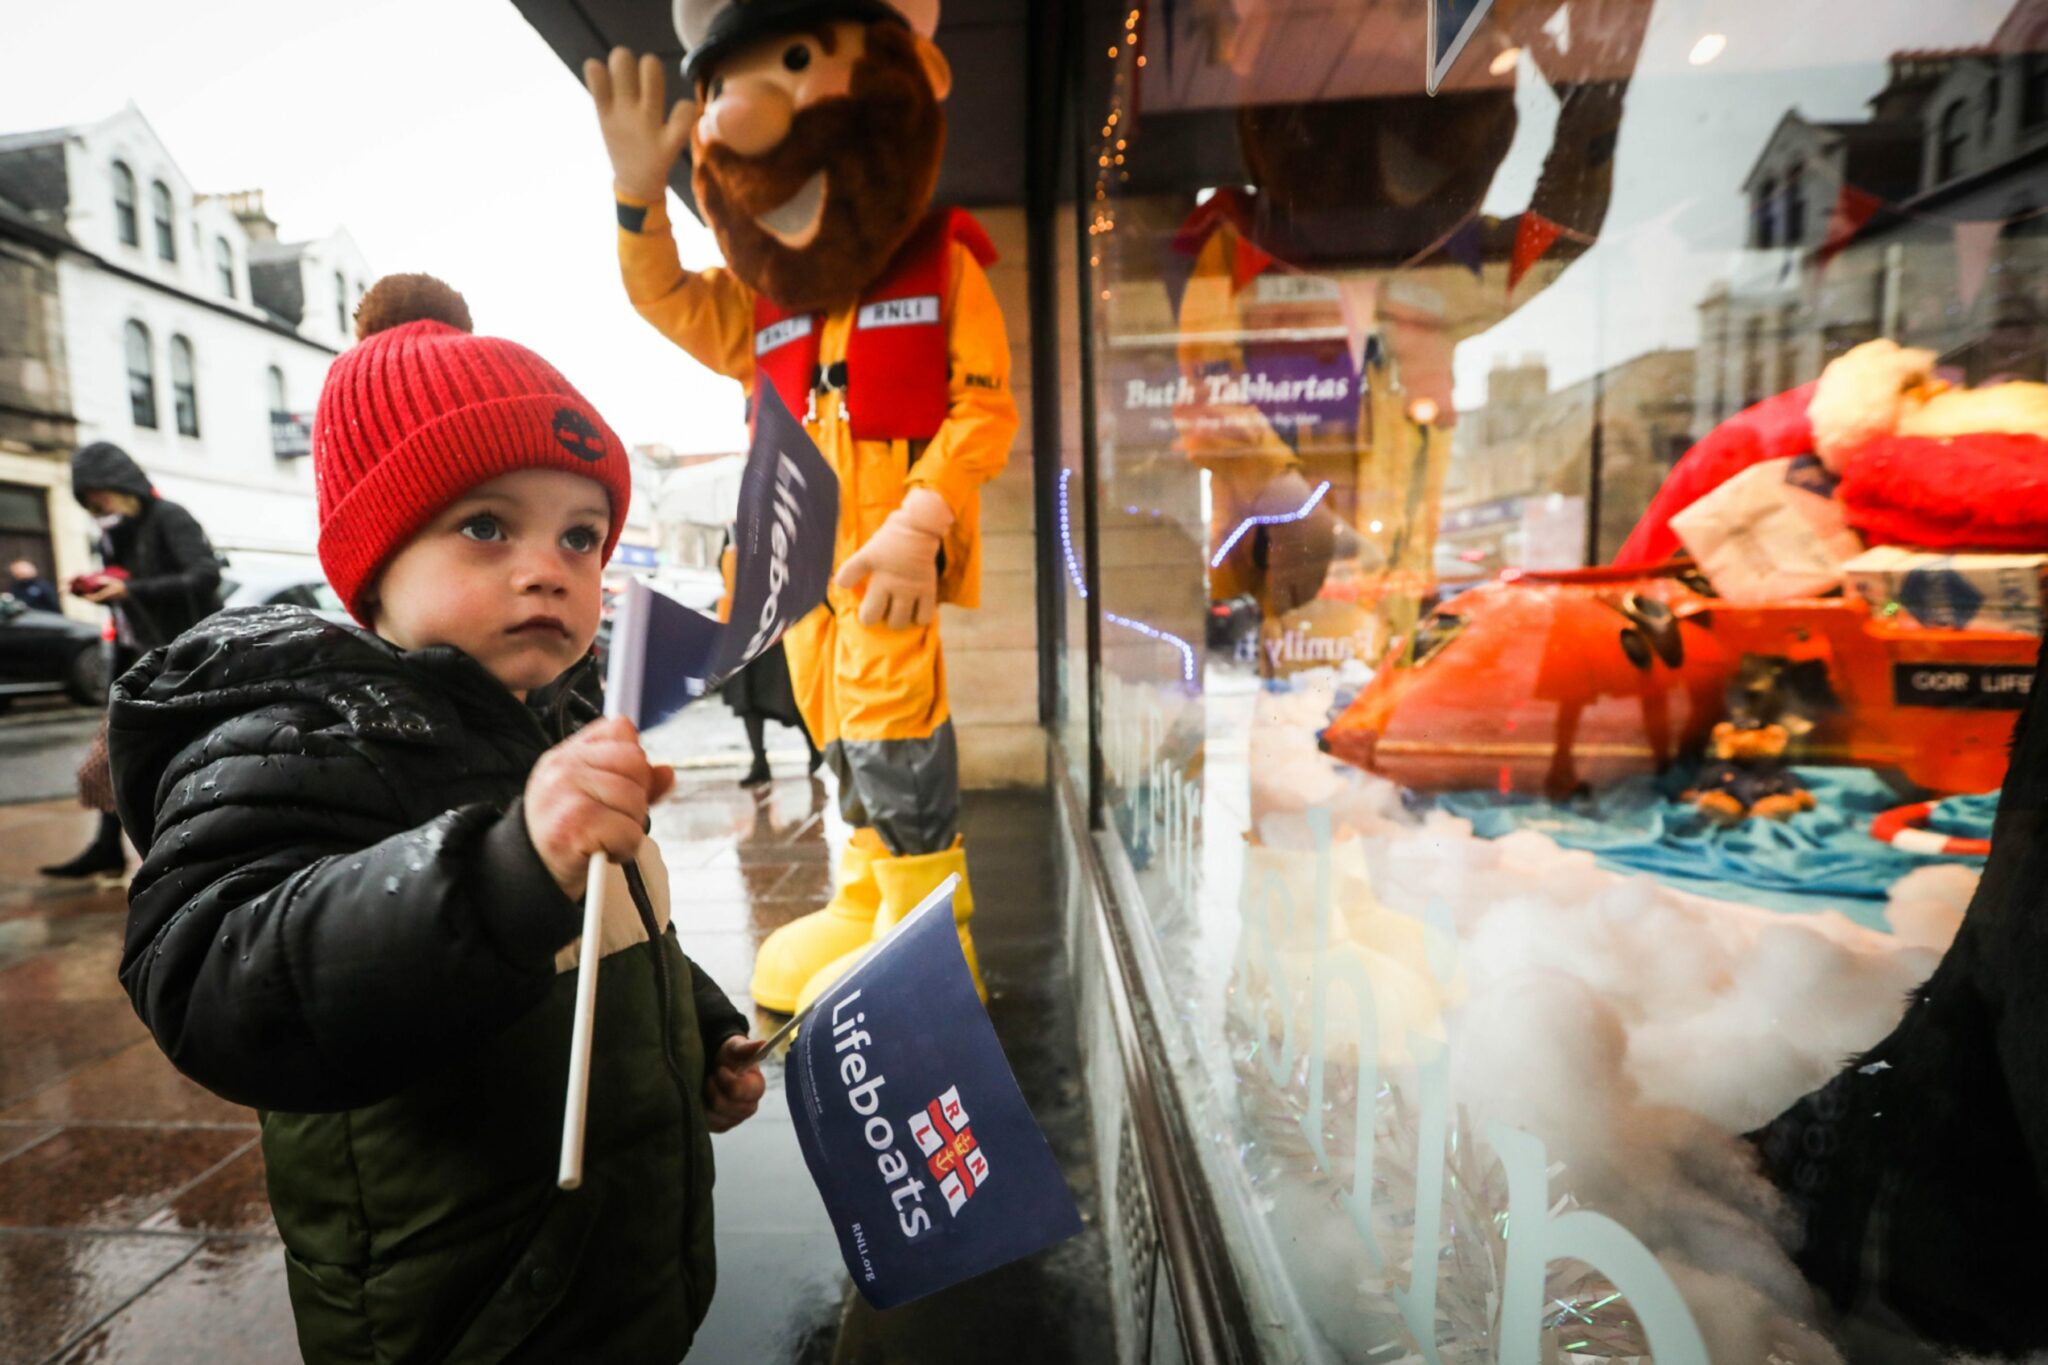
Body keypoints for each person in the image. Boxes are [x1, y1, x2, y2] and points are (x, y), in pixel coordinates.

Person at [107, 274, 765, 1363]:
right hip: (462, 1309)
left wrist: (691, 1032)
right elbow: (213, 977)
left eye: (581, 537)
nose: (548, 573)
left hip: (613, 1272)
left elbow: (611, 928)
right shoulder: (301, 737)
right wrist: (508, 868)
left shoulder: (559, 719)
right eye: (485, 527)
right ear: (371, 566)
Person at [587, 0, 1019, 1016]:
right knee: (836, 732)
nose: (737, 114)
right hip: (800, 577)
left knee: (893, 733)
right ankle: (868, 898)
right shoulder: (759, 307)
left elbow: (982, 408)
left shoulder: (943, 265)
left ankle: (933, 946)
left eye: (789, 62)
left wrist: (922, 520)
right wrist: (635, 197)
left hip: (886, 561)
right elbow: (661, 298)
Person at [39, 441, 222, 879]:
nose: (95, 505)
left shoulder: (170, 518)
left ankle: (183, 854)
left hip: (184, 659)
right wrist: (101, 588)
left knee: (177, 760)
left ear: (119, 484)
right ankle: (112, 845)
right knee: (115, 758)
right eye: (87, 500)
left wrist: (131, 589)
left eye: (97, 494)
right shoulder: (114, 534)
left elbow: (204, 575)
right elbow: (126, 592)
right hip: (139, 660)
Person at [717, 535, 822, 786]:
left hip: (773, 628)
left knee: (788, 697)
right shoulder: (733, 533)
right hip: (742, 631)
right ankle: (759, 761)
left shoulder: (776, 524)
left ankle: (815, 748)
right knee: (746, 700)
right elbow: (725, 575)